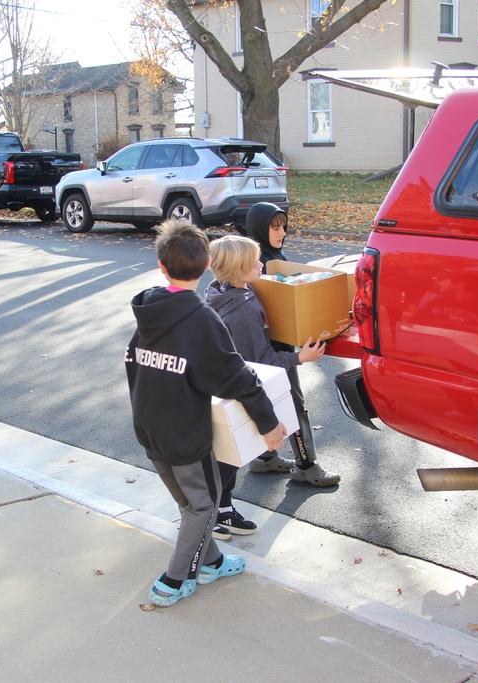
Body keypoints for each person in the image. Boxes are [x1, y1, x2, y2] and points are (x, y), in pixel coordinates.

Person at [126, 219, 287, 607]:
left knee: (189, 502)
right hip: (186, 435)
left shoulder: (149, 311)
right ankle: (174, 580)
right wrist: (269, 424)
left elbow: (137, 365)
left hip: (150, 428)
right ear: (206, 266)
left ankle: (212, 561)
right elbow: (236, 377)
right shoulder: (200, 320)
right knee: (203, 505)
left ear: (162, 266)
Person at [205, 235, 328, 539]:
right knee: (235, 449)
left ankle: (218, 506)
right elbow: (261, 360)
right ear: (236, 270)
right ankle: (216, 512)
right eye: (254, 262)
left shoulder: (219, 291)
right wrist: (302, 357)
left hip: (221, 379)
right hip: (243, 384)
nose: (261, 264)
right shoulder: (244, 309)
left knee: (230, 446)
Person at [246, 202, 342, 487]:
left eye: (283, 226)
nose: (282, 232)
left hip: (276, 345)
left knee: (268, 401)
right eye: (275, 227)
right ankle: (306, 464)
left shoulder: (266, 256)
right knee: (292, 404)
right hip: (273, 350)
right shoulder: (256, 261)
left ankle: (263, 458)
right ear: (260, 229)